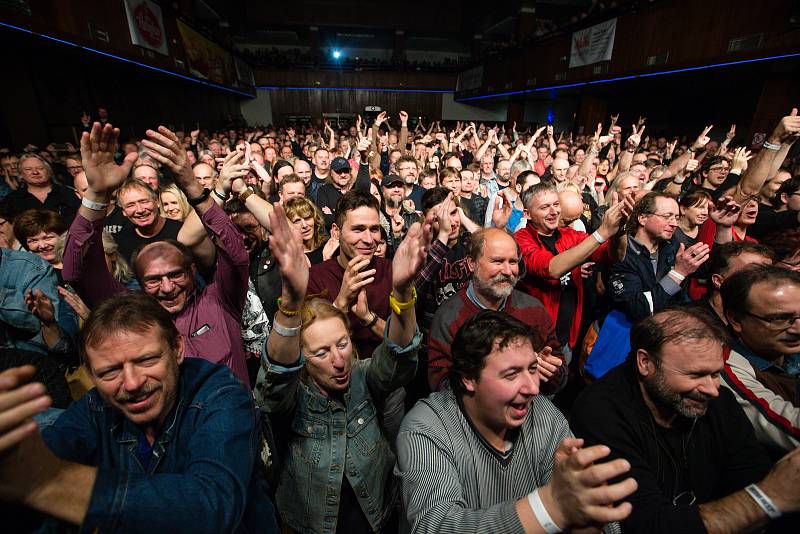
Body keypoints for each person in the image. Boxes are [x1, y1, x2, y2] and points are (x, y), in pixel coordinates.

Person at [0, 293, 277, 533]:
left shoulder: (220, 394)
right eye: (110, 371)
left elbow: (211, 507)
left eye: (146, 360)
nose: (132, 384)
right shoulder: (94, 407)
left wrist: (52, 483)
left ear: (177, 349)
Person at [255, 202, 427, 534]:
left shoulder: (362, 376)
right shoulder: (293, 397)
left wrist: (402, 294)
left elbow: (400, 356)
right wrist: (292, 302)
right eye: (321, 352)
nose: (338, 361)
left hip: (376, 516)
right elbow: (273, 382)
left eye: (343, 345)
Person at [396, 311, 638, 533]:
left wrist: (587, 519)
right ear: (469, 378)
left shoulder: (544, 414)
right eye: (511, 374)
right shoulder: (426, 427)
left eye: (532, 369)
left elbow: (589, 510)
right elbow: (436, 526)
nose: (533, 388)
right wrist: (548, 507)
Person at [571, 307, 800, 533]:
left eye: (715, 374)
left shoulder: (720, 403)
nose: (712, 389)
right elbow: (646, 525)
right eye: (695, 375)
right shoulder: (601, 412)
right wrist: (766, 499)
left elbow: (751, 476)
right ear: (645, 363)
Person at [62, 121, 251, 387]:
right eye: (153, 279)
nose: (167, 287)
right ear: (138, 283)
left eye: (175, 274)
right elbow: (77, 271)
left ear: (192, 271)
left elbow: (236, 255)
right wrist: (96, 195)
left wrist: (192, 186)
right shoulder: (131, 312)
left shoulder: (219, 301)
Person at [428, 227, 565, 393]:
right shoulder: (448, 316)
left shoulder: (534, 310)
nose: (508, 271)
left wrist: (551, 372)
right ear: (471, 263)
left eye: (513, 262)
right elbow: (439, 384)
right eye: (498, 261)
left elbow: (560, 372)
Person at [514, 183, 631, 353]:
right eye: (545, 207)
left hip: (567, 335)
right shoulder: (520, 240)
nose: (554, 211)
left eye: (556, 204)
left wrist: (619, 231)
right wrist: (602, 232)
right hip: (534, 339)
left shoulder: (570, 235)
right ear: (527, 214)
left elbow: (614, 255)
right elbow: (551, 269)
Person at [609, 192, 738, 323]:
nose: (674, 224)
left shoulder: (671, 244)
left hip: (671, 328)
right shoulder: (622, 254)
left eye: (676, 217)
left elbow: (711, 268)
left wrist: (723, 227)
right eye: (667, 217)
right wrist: (678, 273)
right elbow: (639, 310)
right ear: (642, 218)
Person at [720, 265, 800, 453]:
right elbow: (789, 429)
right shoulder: (724, 366)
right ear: (736, 320)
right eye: (779, 319)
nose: (797, 329)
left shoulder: (787, 348)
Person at [112, 177, 183, 262]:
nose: (140, 210)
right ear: (123, 211)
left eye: (144, 201)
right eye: (130, 205)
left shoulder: (181, 232)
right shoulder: (119, 242)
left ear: (157, 202)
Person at [4, 153, 80, 224]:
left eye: (40, 168)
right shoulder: (11, 200)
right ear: (21, 174)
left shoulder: (70, 194)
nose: (35, 172)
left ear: (49, 171)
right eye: (28, 169)